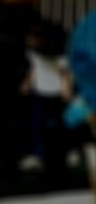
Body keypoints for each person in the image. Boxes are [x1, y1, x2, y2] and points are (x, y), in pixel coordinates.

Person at [18, 22, 72, 172]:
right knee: (37, 125)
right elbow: (34, 68)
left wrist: (66, 89)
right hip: (40, 91)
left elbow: (65, 73)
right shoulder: (32, 52)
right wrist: (27, 83)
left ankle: (65, 153)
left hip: (55, 91)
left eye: (33, 38)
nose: (30, 41)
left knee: (59, 125)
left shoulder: (58, 54)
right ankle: (37, 155)